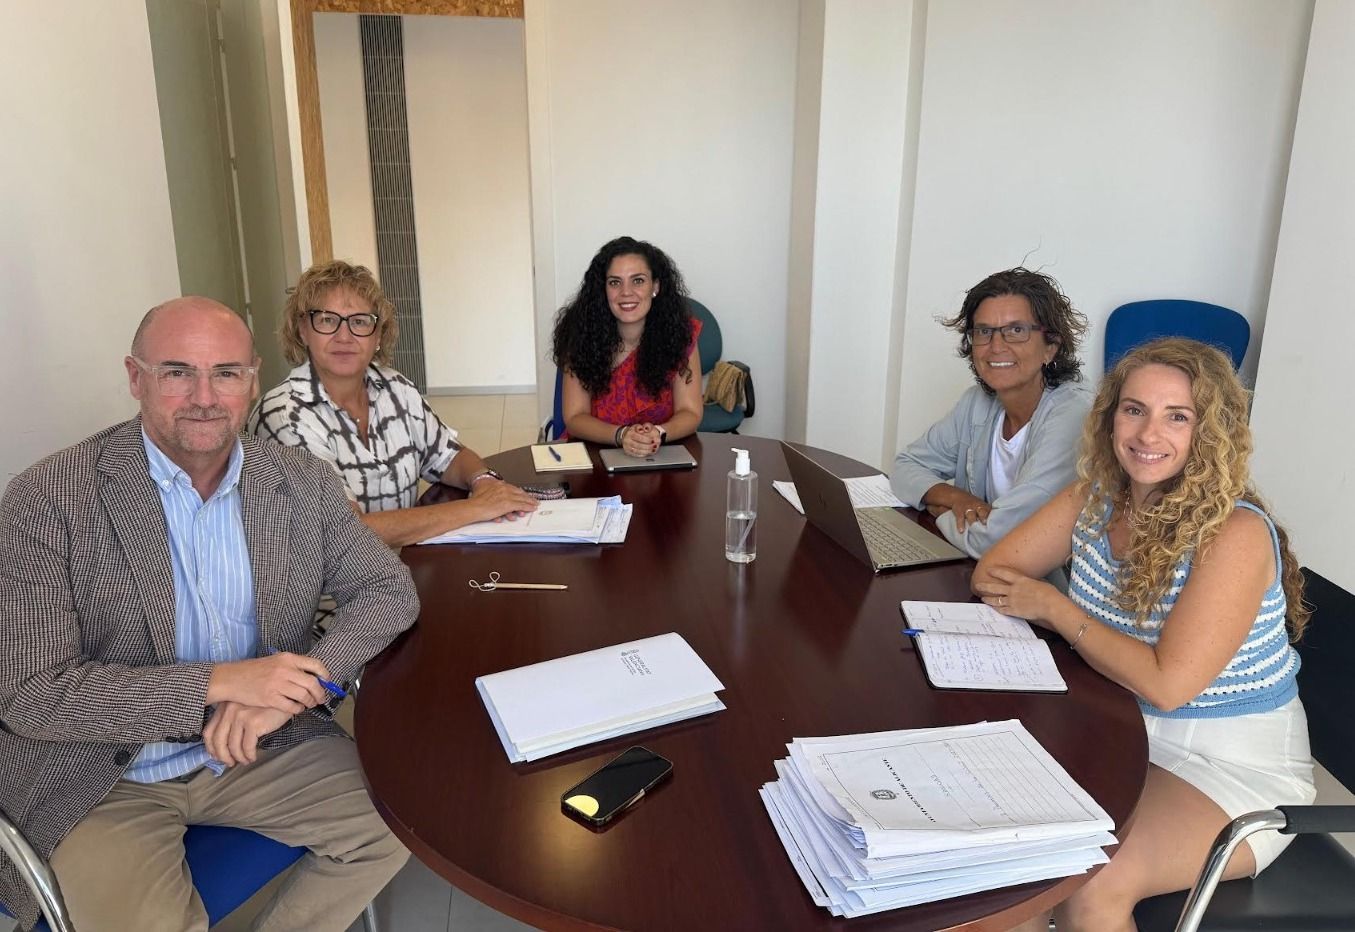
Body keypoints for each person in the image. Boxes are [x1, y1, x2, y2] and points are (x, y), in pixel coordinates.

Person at [0, 298, 417, 931]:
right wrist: (221, 682)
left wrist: (289, 693)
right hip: (102, 776)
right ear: (135, 377)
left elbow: (389, 590)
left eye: (225, 373)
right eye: (176, 372)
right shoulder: (50, 498)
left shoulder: (300, 482)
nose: (204, 395)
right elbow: (32, 696)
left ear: (253, 380)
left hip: (262, 745)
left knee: (405, 822)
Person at [973, 338, 1314, 931]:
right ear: (1110, 419)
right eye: (1134, 410)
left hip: (1230, 765)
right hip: (1119, 729)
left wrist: (1057, 609)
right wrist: (1046, 604)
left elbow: (1168, 685)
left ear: (1208, 432)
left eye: (1176, 416)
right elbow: (993, 573)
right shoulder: (1097, 499)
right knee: (1011, 865)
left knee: (1091, 882)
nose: (1148, 433)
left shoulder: (1233, 533)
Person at [250, 260, 538, 548]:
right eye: (327, 320)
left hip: (405, 564)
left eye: (360, 321)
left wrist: (483, 481)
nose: (344, 336)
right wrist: (477, 508)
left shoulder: (393, 386)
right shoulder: (283, 416)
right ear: (302, 330)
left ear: (377, 335)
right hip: (331, 590)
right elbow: (346, 532)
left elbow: (447, 456)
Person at [890, 267, 1092, 560]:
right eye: (984, 331)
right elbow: (904, 466)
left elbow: (996, 538)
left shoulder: (1073, 417)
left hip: (1049, 589)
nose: (996, 346)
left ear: (1050, 347)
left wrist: (935, 508)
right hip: (981, 574)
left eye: (1017, 331)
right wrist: (955, 498)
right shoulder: (977, 402)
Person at [551, 236, 703, 457]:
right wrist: (622, 436)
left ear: (655, 287)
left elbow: (690, 412)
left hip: (661, 453)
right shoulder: (581, 335)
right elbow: (575, 418)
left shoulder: (680, 335)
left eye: (638, 280)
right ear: (603, 290)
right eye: (615, 282)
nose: (626, 292)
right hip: (593, 455)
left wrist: (658, 433)